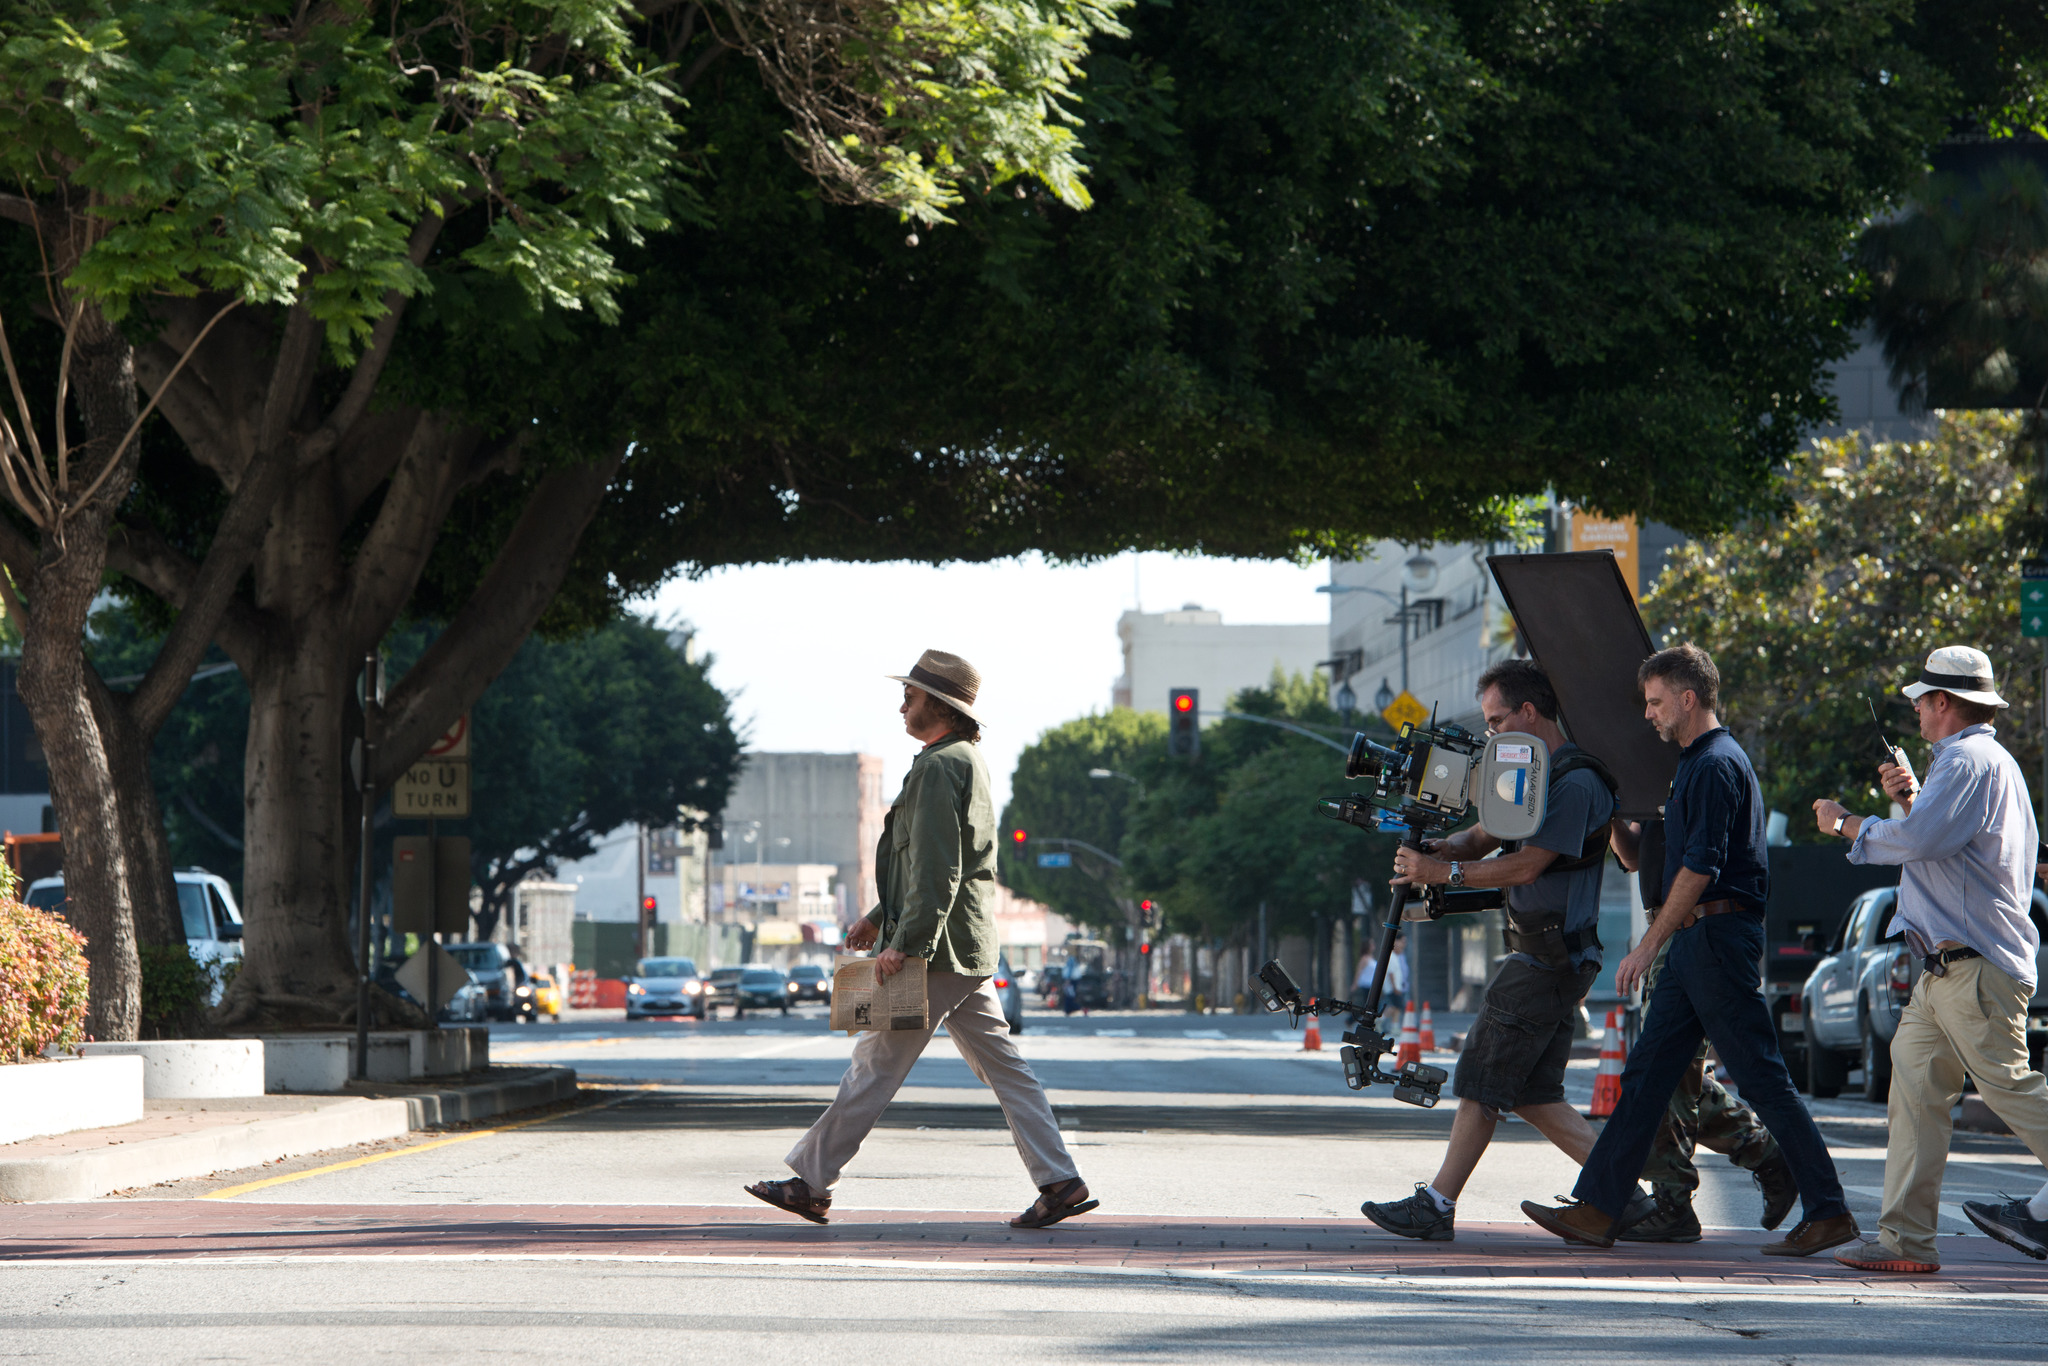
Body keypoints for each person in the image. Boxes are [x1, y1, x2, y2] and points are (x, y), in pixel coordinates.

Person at [1523, 644, 1856, 1255]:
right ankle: (1599, 1208)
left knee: (1763, 1078)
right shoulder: (1691, 766)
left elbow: (1700, 868)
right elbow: (1659, 858)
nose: (1647, 714)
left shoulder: (1713, 764)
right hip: (1696, 939)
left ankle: (1830, 1210)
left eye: (1654, 702)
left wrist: (1647, 945)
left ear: (1688, 698)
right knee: (1648, 1076)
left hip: (1713, 936)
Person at [746, 650, 1096, 1230]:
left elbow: (938, 870)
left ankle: (810, 1183)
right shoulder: (963, 759)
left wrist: (905, 943)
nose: (902, 703)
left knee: (875, 1062)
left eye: (910, 695)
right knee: (1004, 1067)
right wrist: (880, 916)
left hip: (939, 952)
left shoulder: (938, 768)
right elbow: (929, 865)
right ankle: (1060, 1182)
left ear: (940, 706)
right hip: (965, 947)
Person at [1360, 659, 1632, 1241]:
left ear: (1529, 712)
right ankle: (1627, 1198)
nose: (1490, 734)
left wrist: (1442, 869)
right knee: (1533, 1093)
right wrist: (1435, 847)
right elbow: (1484, 837)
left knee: (1481, 1080)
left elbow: (1529, 863)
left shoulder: (1575, 781)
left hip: (1548, 958)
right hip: (1547, 956)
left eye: (1496, 720)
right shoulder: (1526, 770)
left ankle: (1435, 1205)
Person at [1813, 646, 2048, 1272]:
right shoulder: (1977, 762)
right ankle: (1905, 1244)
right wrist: (1913, 796)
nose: (1915, 710)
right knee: (1915, 1096)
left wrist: (1846, 824)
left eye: (1921, 699)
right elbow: (1942, 850)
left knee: (2008, 1087)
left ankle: (1906, 1241)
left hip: (1973, 967)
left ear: (1943, 703)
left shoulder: (1968, 760)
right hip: (1944, 970)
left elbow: (1917, 842)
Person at [1610, 825, 1799, 1242]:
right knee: (1677, 1073)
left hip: (1691, 927)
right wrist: (1614, 814)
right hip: (1669, 927)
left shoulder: (1695, 768)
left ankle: (1673, 1201)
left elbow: (1702, 861)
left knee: (1666, 1071)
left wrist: (1649, 945)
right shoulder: (1648, 780)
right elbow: (1633, 856)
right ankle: (1766, 1154)